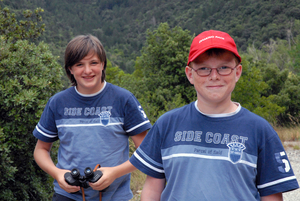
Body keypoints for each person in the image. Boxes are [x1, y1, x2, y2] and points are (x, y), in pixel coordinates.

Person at [129, 30, 299, 200]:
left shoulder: (260, 130)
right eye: (204, 69)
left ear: (237, 72)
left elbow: (272, 197)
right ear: (190, 74)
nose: (214, 76)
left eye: (224, 68)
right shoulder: (167, 124)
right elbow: (152, 189)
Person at [33, 34, 152, 201]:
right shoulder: (57, 103)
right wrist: (58, 174)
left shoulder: (123, 100)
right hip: (66, 196)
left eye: (94, 63)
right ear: (70, 69)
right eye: (79, 64)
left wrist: (114, 173)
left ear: (103, 64)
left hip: (114, 196)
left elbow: (146, 150)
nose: (87, 70)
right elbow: (40, 150)